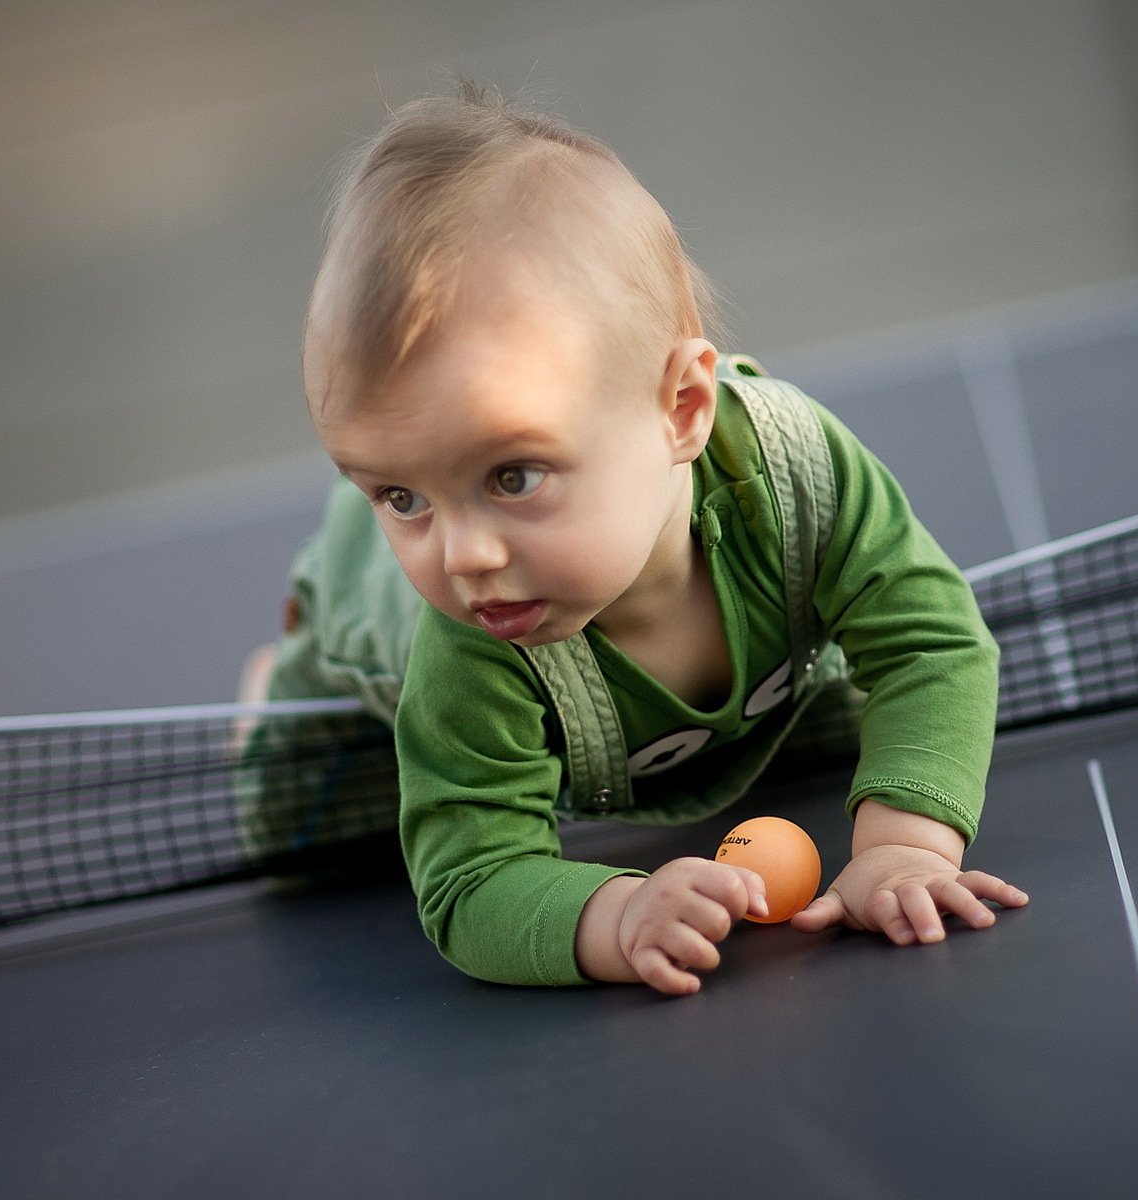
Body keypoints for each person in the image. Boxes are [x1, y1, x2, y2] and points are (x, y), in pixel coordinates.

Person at [242, 80, 1027, 996]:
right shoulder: (466, 634)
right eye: (399, 494)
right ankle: (276, 670)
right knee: (297, 840)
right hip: (364, 626)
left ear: (682, 409)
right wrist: (615, 913)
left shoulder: (800, 478)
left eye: (514, 476)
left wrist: (901, 849)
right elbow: (470, 880)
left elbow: (930, 644)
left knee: (831, 737)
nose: (462, 557)